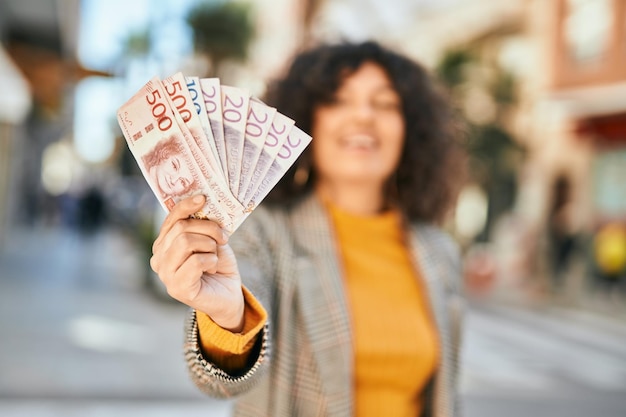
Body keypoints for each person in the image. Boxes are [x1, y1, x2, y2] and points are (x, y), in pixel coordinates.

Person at [150, 41, 466, 416]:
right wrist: (228, 316)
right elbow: (218, 380)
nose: (363, 116)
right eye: (337, 100)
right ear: (307, 120)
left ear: (409, 129)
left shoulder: (438, 250)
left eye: (384, 103)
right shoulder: (262, 234)